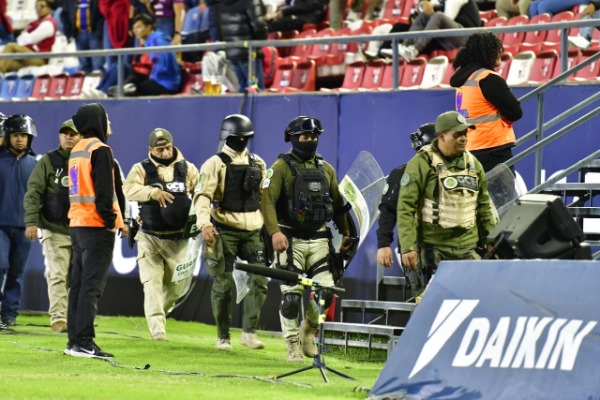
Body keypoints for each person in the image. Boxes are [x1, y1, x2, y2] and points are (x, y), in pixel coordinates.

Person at [260, 116, 353, 362]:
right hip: (289, 240)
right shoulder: (279, 167)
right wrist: (275, 232)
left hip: (320, 240)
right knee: (291, 297)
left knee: (326, 293)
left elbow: (338, 204)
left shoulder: (326, 169)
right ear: (293, 138)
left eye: (313, 136)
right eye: (305, 136)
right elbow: (267, 201)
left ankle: (309, 331)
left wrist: (346, 233)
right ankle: (292, 343)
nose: (310, 140)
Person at [397, 111, 498, 300]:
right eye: (457, 134)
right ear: (441, 136)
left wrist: (492, 239)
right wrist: (408, 246)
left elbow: (484, 205)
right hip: (433, 249)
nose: (463, 139)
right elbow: (406, 208)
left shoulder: (474, 164)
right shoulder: (421, 163)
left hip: (468, 248)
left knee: (477, 301)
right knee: (432, 305)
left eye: (465, 134)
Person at [193, 114, 269, 351]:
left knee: (260, 279)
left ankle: (249, 332)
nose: (242, 141)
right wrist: (205, 224)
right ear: (227, 137)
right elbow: (202, 196)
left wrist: (272, 227)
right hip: (224, 230)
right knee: (223, 283)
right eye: (238, 137)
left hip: (253, 231)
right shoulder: (214, 164)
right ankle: (223, 336)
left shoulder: (258, 163)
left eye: (246, 137)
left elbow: (264, 197)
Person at [123, 128, 198, 341]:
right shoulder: (141, 169)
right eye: (159, 149)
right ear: (150, 149)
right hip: (150, 237)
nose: (164, 152)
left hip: (178, 240)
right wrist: (152, 192)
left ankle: (159, 312)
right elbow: (127, 189)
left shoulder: (188, 168)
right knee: (152, 285)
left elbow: (200, 194)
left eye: (167, 148)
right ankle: (158, 331)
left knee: (175, 290)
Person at [65, 103, 125, 359]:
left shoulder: (77, 149)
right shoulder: (100, 150)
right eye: (106, 118)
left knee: (78, 286)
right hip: (97, 226)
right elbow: (104, 193)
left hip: (78, 224)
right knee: (91, 287)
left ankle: (74, 342)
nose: (109, 123)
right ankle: (85, 342)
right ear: (96, 121)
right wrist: (111, 221)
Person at [23, 119, 82, 333]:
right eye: (64, 133)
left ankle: (76, 318)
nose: (68, 137)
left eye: (72, 134)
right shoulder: (48, 161)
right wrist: (31, 221)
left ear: (81, 137)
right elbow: (33, 192)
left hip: (82, 228)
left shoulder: (88, 160)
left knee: (79, 277)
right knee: (57, 274)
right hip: (53, 227)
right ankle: (59, 319)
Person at [450, 32, 523, 172]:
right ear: (486, 52)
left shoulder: (465, 79)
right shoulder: (488, 78)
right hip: (493, 148)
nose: (500, 52)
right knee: (502, 187)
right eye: (496, 48)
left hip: (471, 147)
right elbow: (516, 112)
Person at [376, 123, 434, 292]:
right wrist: (383, 244)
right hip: (416, 248)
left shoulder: (454, 173)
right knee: (422, 297)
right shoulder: (402, 173)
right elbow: (388, 211)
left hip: (448, 246)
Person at [0, 115, 38, 331]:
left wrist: (35, 221)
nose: (19, 139)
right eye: (15, 135)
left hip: (25, 227)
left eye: (24, 135)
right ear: (8, 137)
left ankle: (9, 315)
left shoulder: (35, 165)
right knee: (0, 266)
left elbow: (41, 196)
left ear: (30, 138)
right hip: (0, 226)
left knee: (16, 272)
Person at [107, 14, 181, 97]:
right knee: (133, 76)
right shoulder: (151, 39)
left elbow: (161, 64)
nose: (135, 31)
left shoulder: (157, 41)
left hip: (166, 84)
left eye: (139, 27)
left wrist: (152, 76)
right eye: (134, 28)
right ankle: (123, 89)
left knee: (135, 89)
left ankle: (122, 92)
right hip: (160, 78)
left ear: (149, 27)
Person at [383, 0, 481, 62]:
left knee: (438, 16)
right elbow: (427, 6)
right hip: (452, 36)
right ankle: (405, 47)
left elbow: (447, 18)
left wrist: (432, 12)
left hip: (468, 35)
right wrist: (424, 5)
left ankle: (414, 49)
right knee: (424, 15)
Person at [212, 0, 268, 92]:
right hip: (249, 52)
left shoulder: (221, 3)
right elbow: (259, 25)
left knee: (243, 89)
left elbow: (218, 29)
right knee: (257, 90)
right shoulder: (250, 1)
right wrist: (261, 40)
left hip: (232, 51)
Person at [0, 0, 57, 73]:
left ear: (49, 9)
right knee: (8, 64)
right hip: (27, 56)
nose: (38, 9)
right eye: (37, 6)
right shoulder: (34, 22)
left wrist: (19, 42)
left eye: (42, 6)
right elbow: (23, 38)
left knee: (11, 46)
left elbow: (30, 39)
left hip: (39, 58)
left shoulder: (48, 24)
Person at [61, 0, 105, 74]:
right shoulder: (70, 1)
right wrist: (70, 32)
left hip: (94, 34)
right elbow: (64, 14)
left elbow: (102, 14)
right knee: (84, 67)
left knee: (97, 66)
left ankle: (98, 81)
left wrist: (99, 31)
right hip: (79, 35)